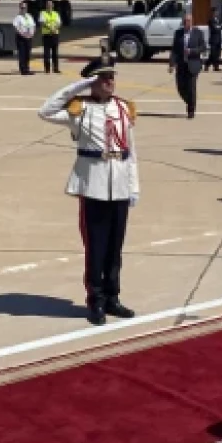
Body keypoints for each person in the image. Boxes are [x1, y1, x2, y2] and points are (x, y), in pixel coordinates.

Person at [38, 62, 139, 325]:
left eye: (111, 77)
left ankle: (112, 297)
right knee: (96, 248)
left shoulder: (123, 108)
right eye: (103, 78)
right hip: (94, 186)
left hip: (119, 185)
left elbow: (131, 152)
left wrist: (134, 187)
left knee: (115, 248)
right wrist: (80, 85)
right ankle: (96, 301)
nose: (109, 81)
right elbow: (45, 110)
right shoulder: (79, 109)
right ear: (92, 82)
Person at [169, 15, 206, 118]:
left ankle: (191, 110)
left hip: (193, 64)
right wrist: (172, 64)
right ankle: (190, 101)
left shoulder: (198, 33)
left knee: (191, 88)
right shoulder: (178, 33)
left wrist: (192, 51)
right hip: (181, 64)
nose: (188, 23)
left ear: (192, 22)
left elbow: (203, 47)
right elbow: (174, 50)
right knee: (180, 87)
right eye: (186, 21)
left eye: (189, 21)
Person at [12, 0, 36, 75]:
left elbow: (33, 25)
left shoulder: (29, 16)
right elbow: (16, 27)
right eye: (22, 8)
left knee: (28, 54)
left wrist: (32, 34)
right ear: (20, 8)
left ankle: (27, 68)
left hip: (29, 37)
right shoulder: (18, 17)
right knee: (22, 54)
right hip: (21, 38)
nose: (24, 9)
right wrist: (22, 34)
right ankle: (23, 70)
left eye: (25, 8)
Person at [39, 0, 62, 74]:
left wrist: (54, 29)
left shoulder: (56, 13)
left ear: (53, 6)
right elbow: (42, 22)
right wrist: (50, 28)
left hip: (55, 35)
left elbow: (59, 23)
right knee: (47, 53)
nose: (49, 6)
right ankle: (47, 69)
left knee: (55, 53)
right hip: (47, 35)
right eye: (48, 5)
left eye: (50, 5)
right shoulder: (43, 13)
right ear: (46, 6)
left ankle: (56, 68)